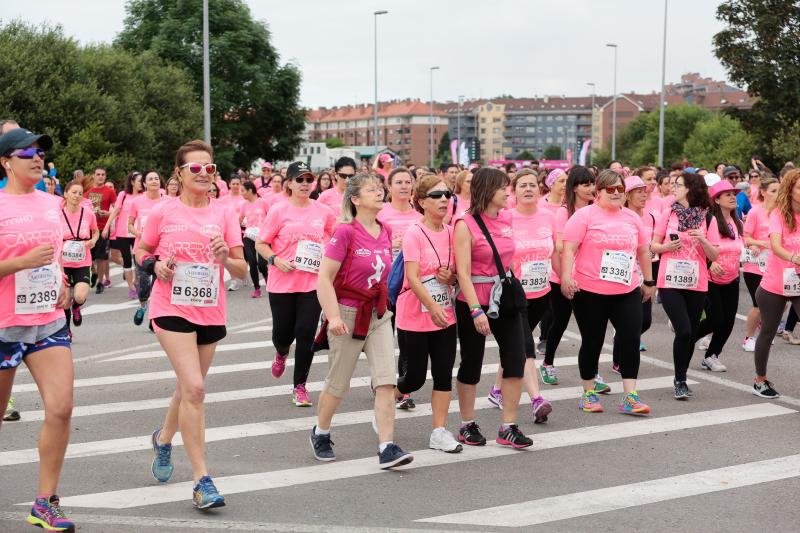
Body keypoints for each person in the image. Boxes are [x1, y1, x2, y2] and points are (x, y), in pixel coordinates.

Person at [136, 139, 246, 508]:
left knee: (187, 388)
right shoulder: (164, 211)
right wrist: (156, 265)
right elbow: (141, 250)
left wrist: (225, 259)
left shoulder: (225, 213)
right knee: (196, 388)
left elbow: (241, 268)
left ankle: (164, 439)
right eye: (195, 168)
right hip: (170, 307)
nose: (204, 174)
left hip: (210, 309)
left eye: (209, 168)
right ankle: (202, 480)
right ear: (179, 174)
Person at [0, 128, 78, 532]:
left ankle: (45, 501)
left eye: (41, 152)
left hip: (47, 319)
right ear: (5, 161)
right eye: (26, 151)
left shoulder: (53, 203)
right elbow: (27, 259)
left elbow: (56, 258)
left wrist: (62, 285)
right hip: (3, 324)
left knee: (62, 407)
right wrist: (20, 262)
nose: (37, 157)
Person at [310, 172, 414, 468]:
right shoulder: (345, 232)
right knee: (338, 384)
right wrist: (332, 317)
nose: (379, 193)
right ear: (355, 199)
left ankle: (387, 446)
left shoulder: (385, 229)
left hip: (378, 314)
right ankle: (321, 431)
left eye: (380, 189)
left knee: (385, 381)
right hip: (347, 315)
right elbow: (324, 279)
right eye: (372, 190)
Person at [561, 170, 655, 414]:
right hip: (590, 291)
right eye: (610, 189)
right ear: (598, 192)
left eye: (620, 189)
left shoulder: (632, 218)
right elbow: (569, 249)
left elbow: (643, 251)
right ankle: (589, 393)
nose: (616, 194)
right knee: (592, 341)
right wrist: (566, 277)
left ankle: (630, 396)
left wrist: (649, 281)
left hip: (626, 289)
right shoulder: (584, 216)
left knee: (631, 339)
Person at [453, 167, 533, 449]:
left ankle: (508, 426)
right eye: (502, 187)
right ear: (487, 190)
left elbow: (507, 258)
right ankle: (467, 423)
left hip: (505, 298)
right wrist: (476, 309)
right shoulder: (465, 224)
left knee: (516, 359)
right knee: (472, 363)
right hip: (474, 299)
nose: (507, 192)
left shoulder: (507, 218)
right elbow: (462, 272)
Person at [256, 162, 335, 407]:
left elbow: (335, 239)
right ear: (288, 183)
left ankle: (299, 386)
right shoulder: (278, 211)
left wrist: (329, 255)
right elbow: (261, 243)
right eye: (299, 179)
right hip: (281, 283)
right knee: (283, 334)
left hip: (312, 283)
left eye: (308, 179)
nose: (304, 184)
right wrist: (275, 260)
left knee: (305, 333)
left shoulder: (323, 212)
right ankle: (281, 352)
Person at [394, 174, 461, 452]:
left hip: (445, 315)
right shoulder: (414, 233)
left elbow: (458, 275)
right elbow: (413, 277)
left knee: (444, 374)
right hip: (415, 316)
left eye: (446, 194)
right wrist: (432, 306)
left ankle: (439, 432)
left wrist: (451, 277)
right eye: (436, 195)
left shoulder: (452, 232)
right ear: (421, 202)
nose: (444, 199)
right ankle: (387, 397)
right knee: (415, 378)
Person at [486, 169, 554, 423]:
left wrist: (565, 277)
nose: (528, 189)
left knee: (513, 345)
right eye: (522, 185)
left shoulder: (549, 217)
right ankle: (537, 400)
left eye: (533, 185)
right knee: (525, 346)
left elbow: (554, 251)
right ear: (513, 191)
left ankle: (496, 390)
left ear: (540, 190)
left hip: (542, 292)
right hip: (514, 293)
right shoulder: (505, 218)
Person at [650, 172, 720, 400]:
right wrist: (667, 247)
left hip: (696, 281)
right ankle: (680, 380)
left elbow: (715, 254)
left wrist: (703, 239)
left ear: (691, 188)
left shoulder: (707, 218)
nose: (673, 187)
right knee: (684, 330)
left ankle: (681, 376)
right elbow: (653, 246)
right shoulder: (668, 213)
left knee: (689, 335)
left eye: (678, 184)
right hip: (669, 280)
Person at [540, 166, 601, 389]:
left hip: (589, 278)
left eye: (593, 184)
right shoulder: (563, 212)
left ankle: (592, 373)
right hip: (562, 278)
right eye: (586, 184)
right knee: (560, 322)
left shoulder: (598, 210)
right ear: (574, 188)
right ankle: (547, 363)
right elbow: (559, 245)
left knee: (591, 328)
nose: (591, 188)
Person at [748, 169, 800, 399]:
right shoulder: (778, 214)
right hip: (774, 284)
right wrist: (793, 257)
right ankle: (760, 380)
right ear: (790, 190)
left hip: (798, 283)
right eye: (799, 187)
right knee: (768, 331)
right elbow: (776, 246)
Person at [693, 180, 744, 372]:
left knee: (728, 321)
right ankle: (688, 336)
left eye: (734, 193)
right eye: (727, 194)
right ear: (717, 199)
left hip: (732, 277)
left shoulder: (737, 221)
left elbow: (741, 245)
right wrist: (711, 262)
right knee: (716, 318)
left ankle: (711, 356)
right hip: (710, 278)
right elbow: (699, 245)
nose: (733, 197)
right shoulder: (709, 220)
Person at [742, 178, 779, 349]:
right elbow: (746, 237)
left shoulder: (781, 213)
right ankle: (748, 338)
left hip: (776, 264)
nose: (777, 194)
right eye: (773, 190)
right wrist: (758, 243)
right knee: (759, 306)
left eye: (779, 190)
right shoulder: (755, 212)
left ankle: (763, 326)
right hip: (755, 266)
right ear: (763, 192)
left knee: (782, 303)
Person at [61, 180, 99, 334]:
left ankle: (76, 307)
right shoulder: (57, 214)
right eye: (73, 192)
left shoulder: (87, 213)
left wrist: (93, 241)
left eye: (80, 193)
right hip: (62, 262)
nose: (77, 196)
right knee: (64, 300)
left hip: (82, 261)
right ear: (66, 194)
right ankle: (66, 330)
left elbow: (95, 231)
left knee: (80, 295)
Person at [129, 171, 167, 328]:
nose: (154, 181)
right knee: (143, 287)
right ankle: (143, 306)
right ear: (144, 184)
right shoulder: (136, 202)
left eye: (156, 178)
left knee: (159, 285)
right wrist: (140, 233)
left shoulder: (168, 201)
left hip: (162, 249)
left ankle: (155, 318)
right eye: (150, 179)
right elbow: (129, 225)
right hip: (142, 249)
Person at [105, 171, 143, 299]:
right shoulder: (123, 195)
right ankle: (131, 288)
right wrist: (106, 228)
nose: (141, 183)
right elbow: (115, 211)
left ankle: (137, 283)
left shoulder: (145, 196)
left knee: (137, 261)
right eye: (139, 181)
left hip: (137, 233)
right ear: (132, 182)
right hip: (122, 233)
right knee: (127, 261)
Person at [84, 167, 117, 294]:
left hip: (103, 228)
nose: (101, 177)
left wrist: (107, 213)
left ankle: (100, 282)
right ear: (94, 176)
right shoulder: (87, 192)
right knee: (89, 256)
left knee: (102, 257)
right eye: (98, 174)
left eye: (103, 174)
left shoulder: (109, 191)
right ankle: (94, 271)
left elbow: (116, 210)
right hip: (89, 229)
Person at [240, 181, 269, 298]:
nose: (241, 193)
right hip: (249, 236)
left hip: (262, 237)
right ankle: (257, 288)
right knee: (252, 262)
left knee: (262, 264)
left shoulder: (263, 202)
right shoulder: (244, 205)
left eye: (243, 191)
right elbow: (238, 220)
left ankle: (267, 279)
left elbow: (272, 217)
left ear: (250, 190)